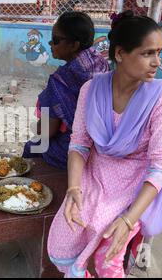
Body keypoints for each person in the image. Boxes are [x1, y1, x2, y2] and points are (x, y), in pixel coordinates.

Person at [47, 11, 162, 278]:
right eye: (147, 53)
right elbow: (80, 144)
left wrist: (129, 219)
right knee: (63, 245)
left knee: (107, 261)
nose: (158, 62)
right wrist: (74, 188)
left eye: (159, 52)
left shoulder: (161, 99)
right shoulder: (91, 89)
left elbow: (160, 166)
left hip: (134, 185)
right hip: (94, 177)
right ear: (120, 54)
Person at [22, 11, 109, 169]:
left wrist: (36, 128)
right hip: (105, 143)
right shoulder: (102, 63)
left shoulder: (60, 81)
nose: (50, 44)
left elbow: (48, 131)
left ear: (74, 45)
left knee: (33, 146)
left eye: (55, 40)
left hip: (78, 151)